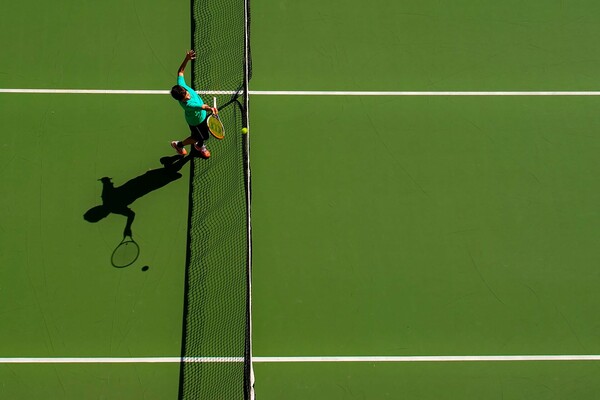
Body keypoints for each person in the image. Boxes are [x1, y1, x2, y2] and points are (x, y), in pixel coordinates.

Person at [169, 50, 218, 159]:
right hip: (196, 122)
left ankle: (199, 145)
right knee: (201, 136)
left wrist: (186, 59)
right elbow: (203, 107)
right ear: (181, 100)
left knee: (202, 135)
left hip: (202, 116)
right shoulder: (189, 105)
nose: (188, 96)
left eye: (186, 93)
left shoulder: (182, 86)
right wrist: (211, 108)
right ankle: (179, 145)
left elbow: (180, 72)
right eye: (185, 97)